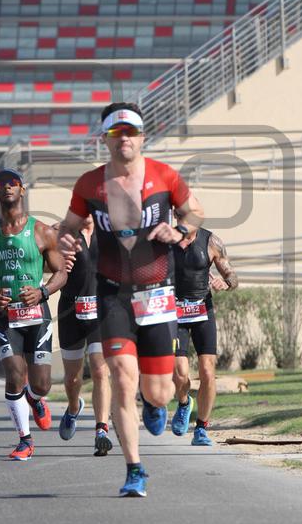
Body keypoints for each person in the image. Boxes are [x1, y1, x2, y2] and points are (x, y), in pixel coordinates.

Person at [59, 102, 203, 497]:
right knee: (122, 377)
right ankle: (134, 470)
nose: (124, 139)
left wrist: (180, 230)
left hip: (156, 291)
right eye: (116, 133)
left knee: (159, 391)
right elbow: (69, 226)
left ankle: (155, 404)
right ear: (105, 139)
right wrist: (66, 240)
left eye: (131, 132)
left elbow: (194, 212)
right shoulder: (89, 184)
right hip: (112, 293)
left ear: (142, 137)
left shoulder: (164, 175)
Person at [0, 167, 66, 461]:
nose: (7, 187)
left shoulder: (42, 232)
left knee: (41, 384)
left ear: (22, 189)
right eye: (1, 184)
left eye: (12, 182)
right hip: (5, 318)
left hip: (37, 316)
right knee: (14, 376)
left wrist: (43, 292)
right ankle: (25, 439)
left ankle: (36, 400)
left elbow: (61, 272)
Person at [171, 228, 239, 446]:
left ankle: (201, 428)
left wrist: (225, 283)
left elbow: (232, 276)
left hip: (202, 311)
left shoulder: (211, 241)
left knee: (208, 371)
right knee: (179, 372)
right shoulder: (167, 239)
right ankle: (184, 403)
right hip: (175, 312)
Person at [55, 217, 113, 456]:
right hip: (71, 312)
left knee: (100, 371)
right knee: (72, 379)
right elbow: (41, 257)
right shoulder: (62, 232)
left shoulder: (109, 229)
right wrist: (56, 260)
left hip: (101, 311)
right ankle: (73, 408)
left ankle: (101, 430)